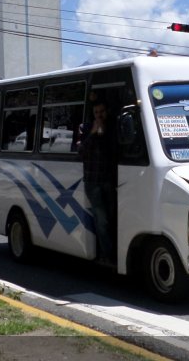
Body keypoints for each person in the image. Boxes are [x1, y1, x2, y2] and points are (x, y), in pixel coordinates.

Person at [78, 100, 117, 265]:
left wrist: (104, 132)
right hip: (93, 182)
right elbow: (81, 152)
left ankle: (111, 252)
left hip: (109, 181)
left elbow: (115, 151)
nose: (99, 115)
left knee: (112, 218)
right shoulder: (86, 128)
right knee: (102, 220)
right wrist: (93, 132)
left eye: (102, 112)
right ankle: (107, 255)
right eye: (96, 113)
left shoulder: (113, 128)